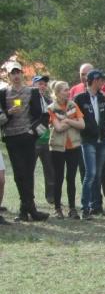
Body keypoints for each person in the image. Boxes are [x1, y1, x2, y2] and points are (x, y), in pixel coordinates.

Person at [0, 61, 48, 221]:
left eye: (18, 72)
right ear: (8, 75)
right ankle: (29, 209)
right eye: (12, 73)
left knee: (28, 173)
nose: (15, 76)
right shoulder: (3, 93)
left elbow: (44, 116)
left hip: (28, 137)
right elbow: (0, 118)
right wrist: (9, 113)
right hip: (11, 138)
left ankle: (26, 210)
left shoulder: (33, 92)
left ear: (22, 74)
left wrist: (32, 133)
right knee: (18, 174)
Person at [69, 62, 105, 212]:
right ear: (93, 80)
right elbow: (76, 118)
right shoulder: (79, 98)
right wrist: (90, 129)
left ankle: (103, 204)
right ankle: (88, 206)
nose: (103, 82)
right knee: (89, 174)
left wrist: (104, 126)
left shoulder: (102, 97)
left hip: (102, 140)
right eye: (100, 80)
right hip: (87, 141)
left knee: (101, 173)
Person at [47, 80, 85, 219]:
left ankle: (72, 208)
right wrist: (72, 121)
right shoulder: (51, 108)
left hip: (73, 146)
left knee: (71, 178)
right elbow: (58, 128)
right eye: (64, 90)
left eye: (68, 89)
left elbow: (82, 124)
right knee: (58, 178)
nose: (68, 92)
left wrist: (67, 121)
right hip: (57, 148)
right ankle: (57, 208)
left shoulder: (73, 105)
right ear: (57, 93)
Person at [32, 75, 55, 205]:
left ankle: (51, 196)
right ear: (33, 85)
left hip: (45, 138)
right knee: (30, 170)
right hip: (32, 140)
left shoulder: (48, 101)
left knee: (50, 169)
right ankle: (30, 198)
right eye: (39, 83)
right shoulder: (28, 99)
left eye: (44, 84)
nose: (42, 86)